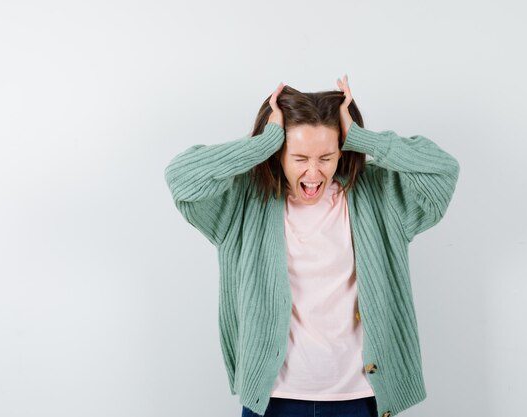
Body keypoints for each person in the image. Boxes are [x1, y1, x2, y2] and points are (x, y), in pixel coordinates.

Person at [164, 75, 460, 417]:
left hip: (360, 398)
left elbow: (444, 170)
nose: (314, 172)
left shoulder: (379, 198)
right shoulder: (241, 204)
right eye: (300, 157)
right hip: (272, 399)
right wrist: (260, 145)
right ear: (278, 153)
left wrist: (364, 139)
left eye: (326, 157)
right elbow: (181, 176)